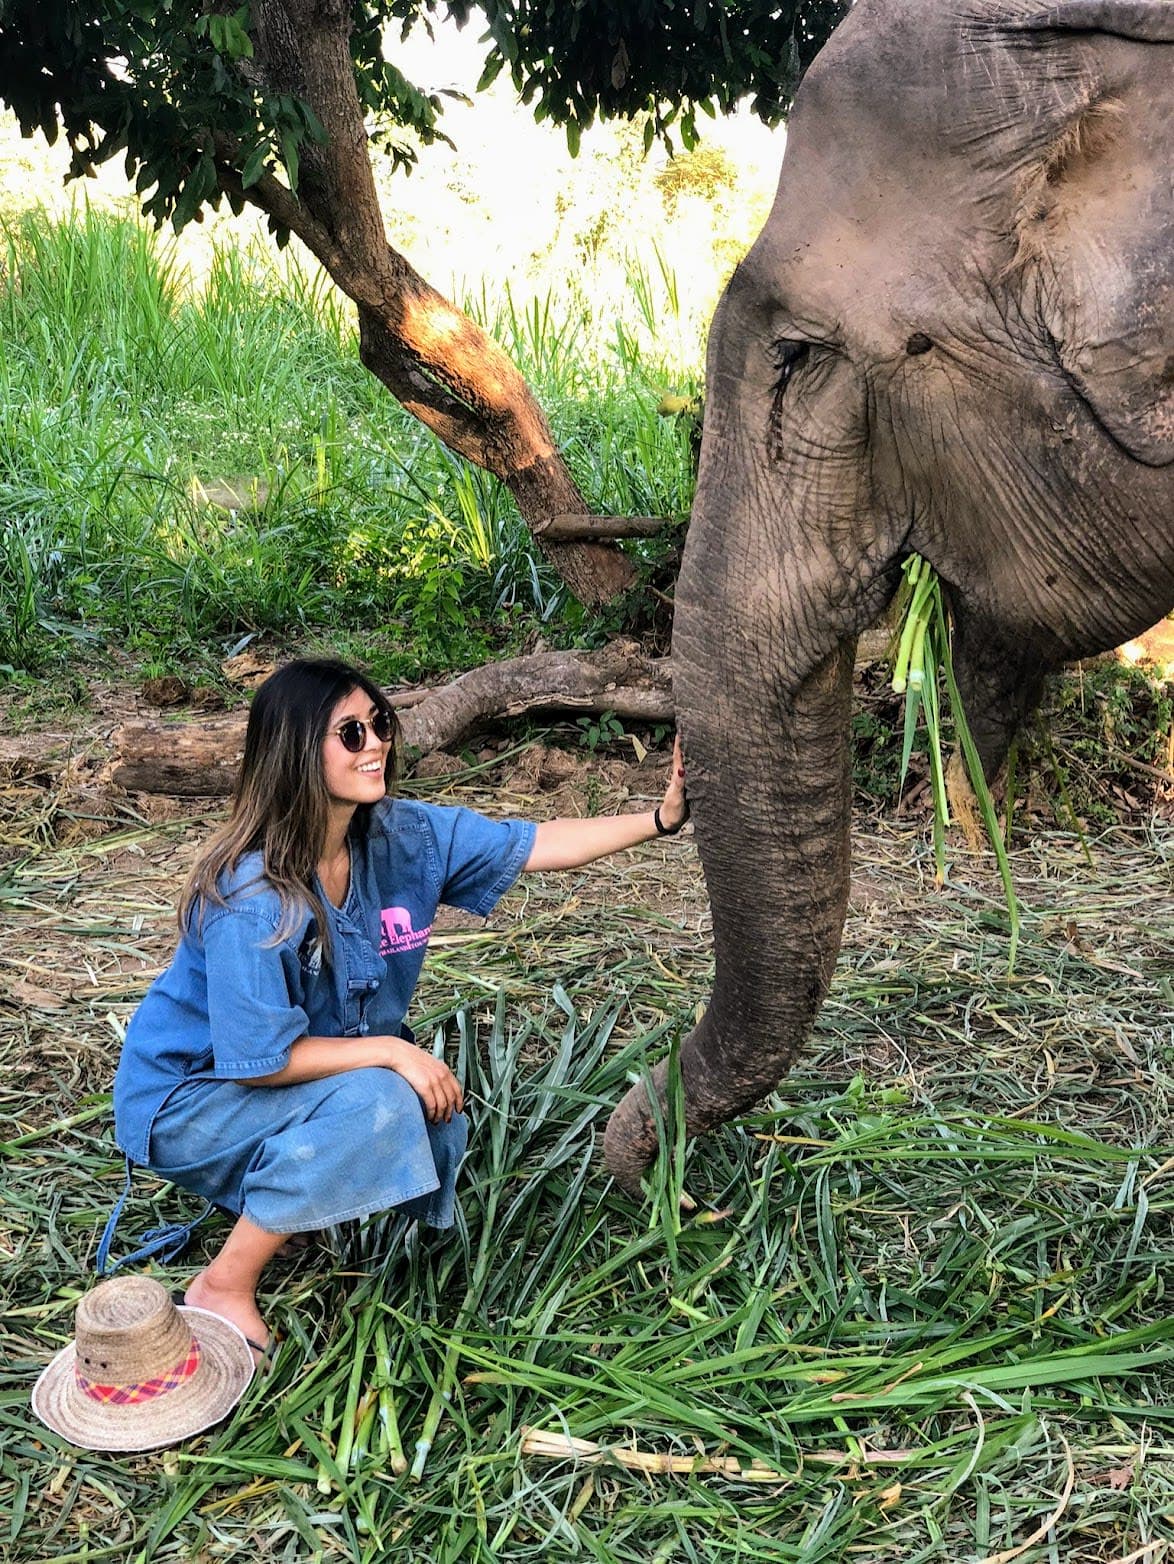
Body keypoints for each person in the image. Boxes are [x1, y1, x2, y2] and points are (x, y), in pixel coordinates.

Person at [110, 658, 688, 1359]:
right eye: (350, 733)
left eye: (380, 723)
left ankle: (287, 1195)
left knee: (426, 1109)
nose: (376, 743)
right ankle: (222, 1286)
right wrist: (392, 1050)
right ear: (296, 750)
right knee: (385, 1103)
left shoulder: (398, 835)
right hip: (193, 1098)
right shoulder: (255, 897)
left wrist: (661, 819)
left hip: (283, 1073)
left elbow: (538, 841)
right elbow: (257, 1062)